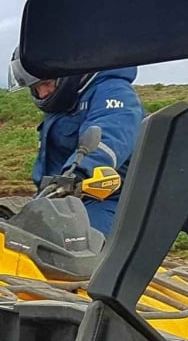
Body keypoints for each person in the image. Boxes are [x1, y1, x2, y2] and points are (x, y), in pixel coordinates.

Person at [9, 47, 144, 235]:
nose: (42, 94)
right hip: (61, 199)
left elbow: (111, 133)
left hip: (108, 200)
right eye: (35, 88)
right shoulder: (66, 101)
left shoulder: (112, 91)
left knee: (64, 242)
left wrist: (80, 171)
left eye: (46, 83)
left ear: (68, 72)